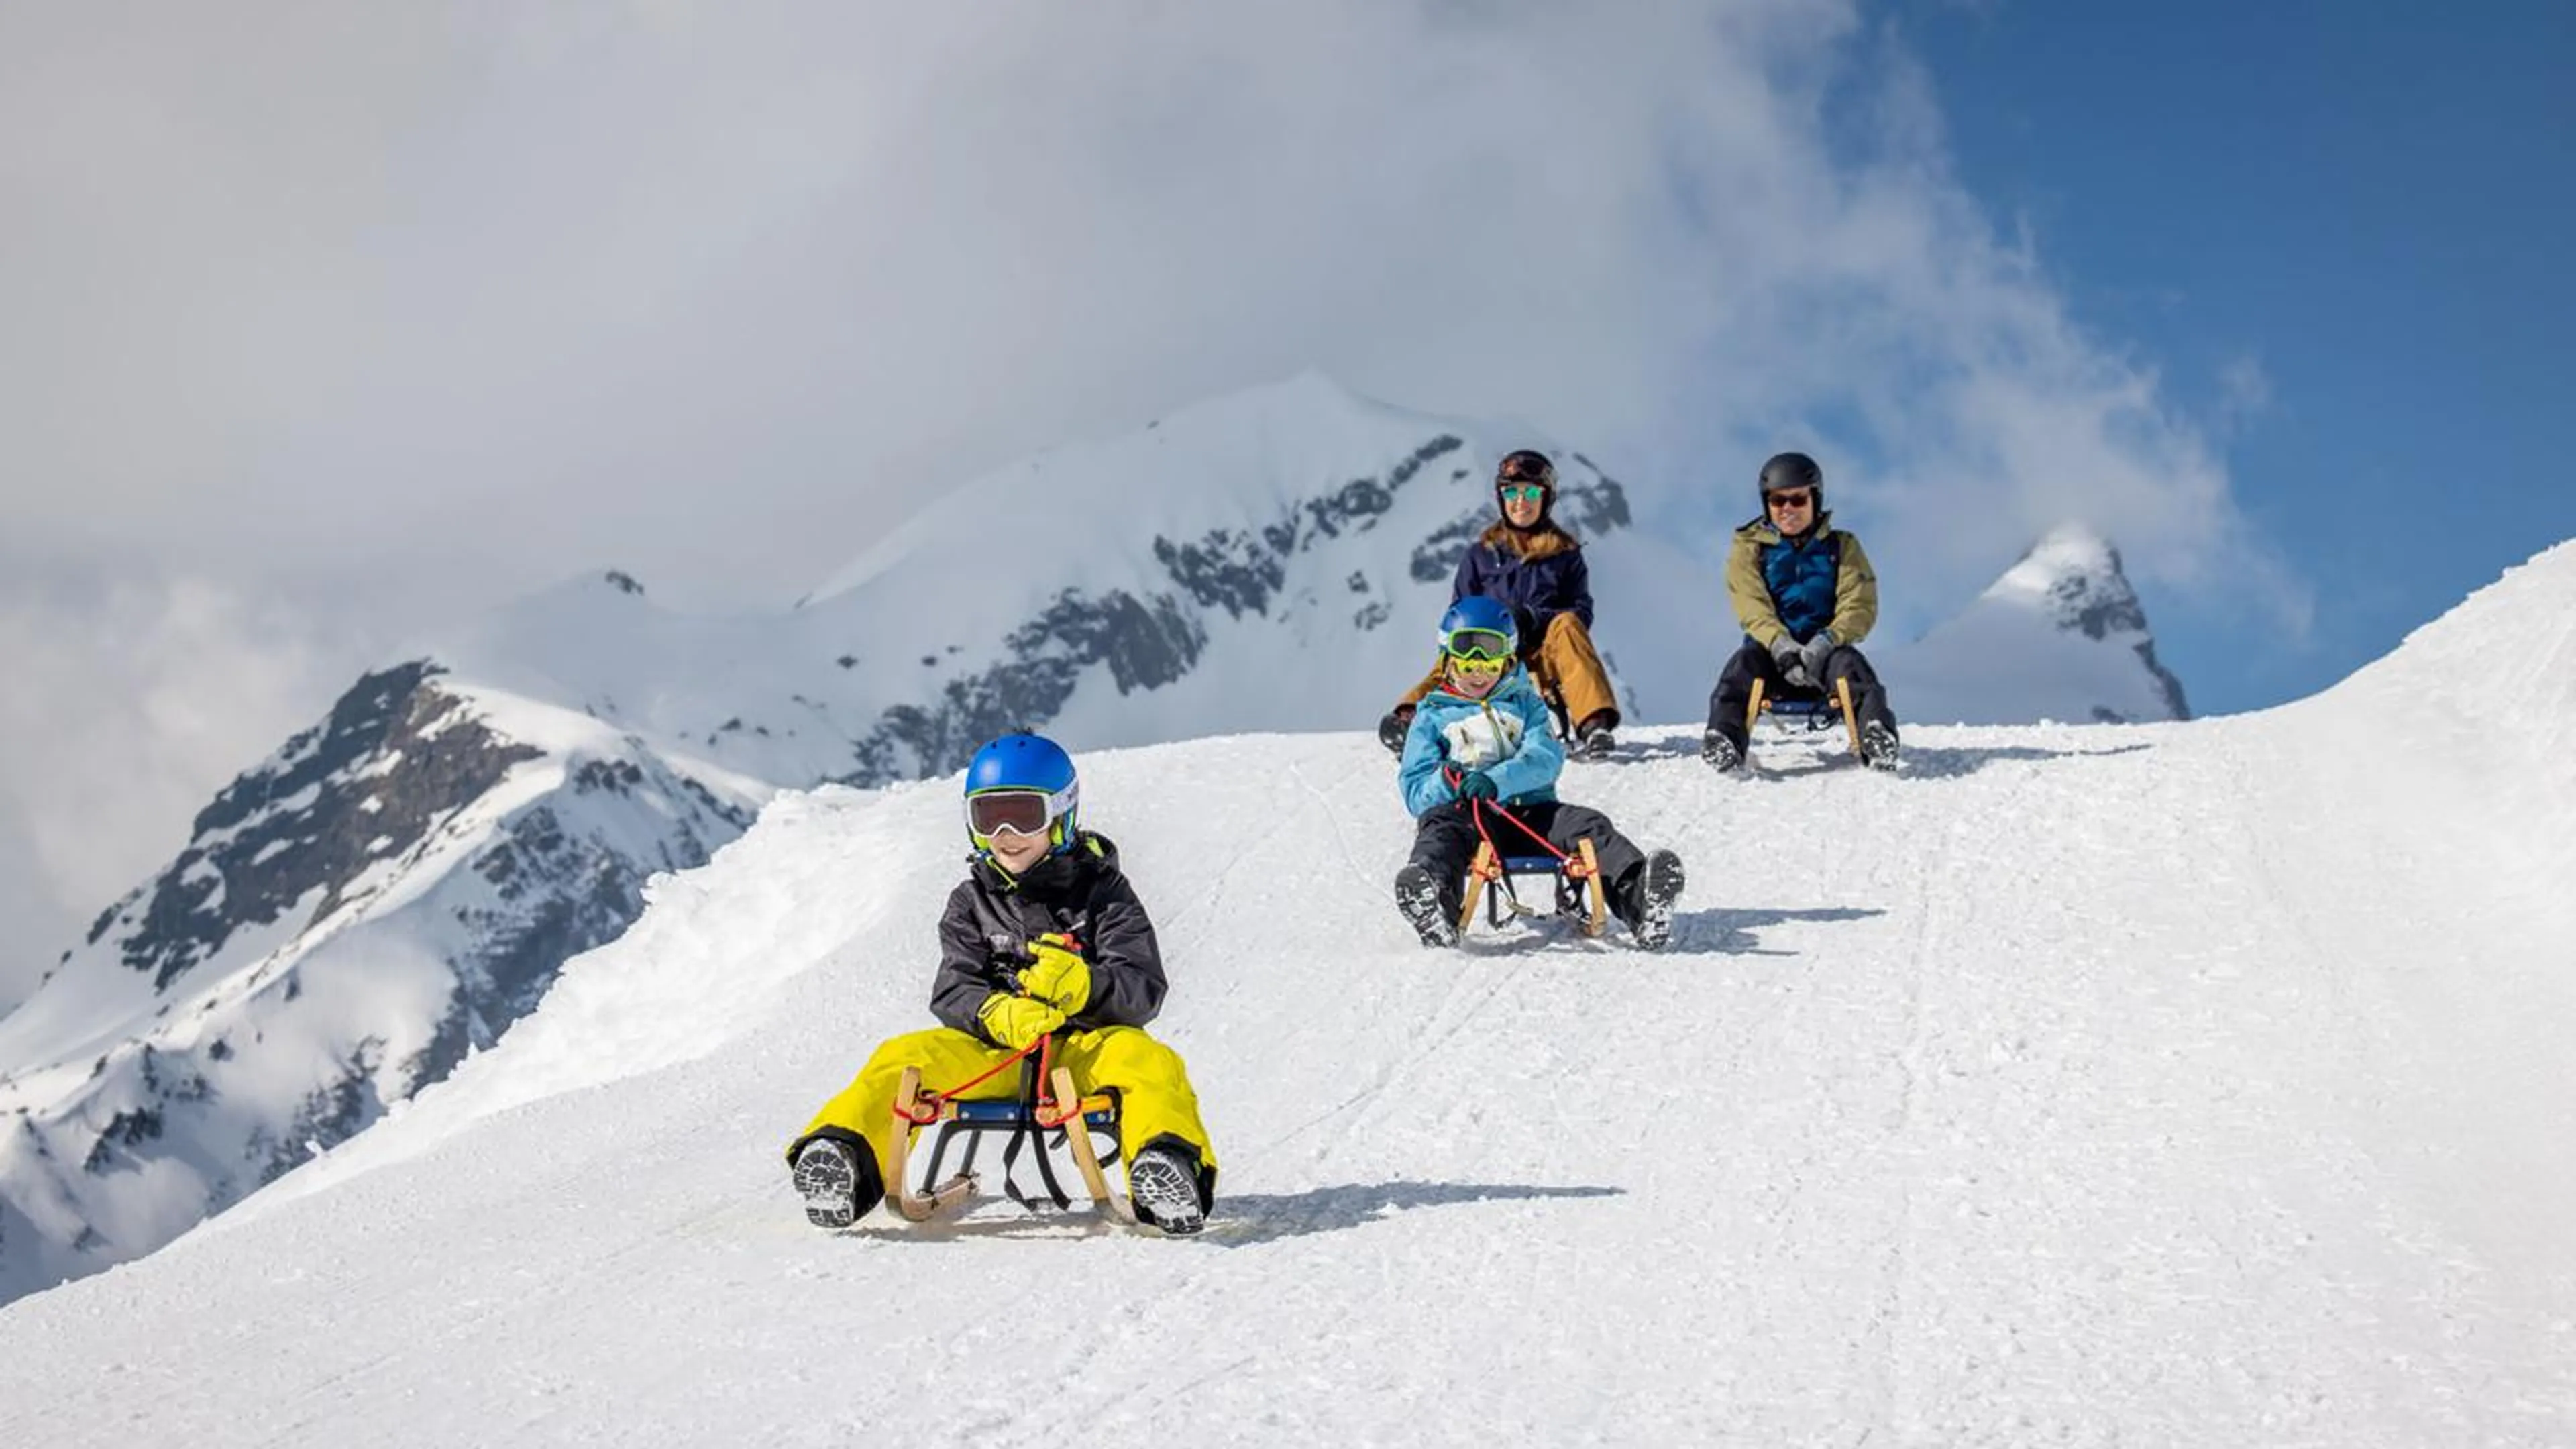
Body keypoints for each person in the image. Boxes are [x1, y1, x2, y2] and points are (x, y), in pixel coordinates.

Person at [783, 733, 1218, 1236]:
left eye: (1024, 815)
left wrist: (1085, 988)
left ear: (1061, 814)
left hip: (1084, 1050)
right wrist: (994, 1012)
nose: (1006, 834)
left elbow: (1142, 987)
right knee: (903, 1058)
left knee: (1147, 1062)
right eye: (989, 817)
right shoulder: (970, 902)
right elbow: (954, 987)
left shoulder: (1105, 894)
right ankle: (844, 1160)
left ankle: (1166, 1170)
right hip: (994, 1055)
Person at [1392, 597, 1685, 949]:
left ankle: (1640, 900)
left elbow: (1544, 757)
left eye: (1490, 661)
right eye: (1467, 663)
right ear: (1447, 659)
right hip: (1467, 818)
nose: (1478, 672)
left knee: (1589, 826)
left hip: (1531, 814)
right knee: (1440, 834)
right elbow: (1415, 789)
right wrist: (1445, 781)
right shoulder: (1431, 716)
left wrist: (1496, 781)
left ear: (1507, 659)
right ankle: (1434, 904)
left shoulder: (1526, 704)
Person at [1378, 449, 1623, 761]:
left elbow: (1581, 611)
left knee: (1568, 625)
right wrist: (1491, 628)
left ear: (1546, 498)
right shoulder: (1481, 555)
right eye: (1511, 492)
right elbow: (1459, 612)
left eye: (1530, 492)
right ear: (1501, 497)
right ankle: (1409, 719)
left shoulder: (1565, 555)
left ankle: (1593, 725)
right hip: (1491, 650)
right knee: (1457, 650)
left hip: (1546, 654)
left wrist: (1532, 618)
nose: (1521, 501)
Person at [1703, 451, 1900, 772]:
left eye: (1797, 500)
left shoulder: (1842, 547)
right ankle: (1724, 740)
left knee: (1853, 668)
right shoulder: (1751, 548)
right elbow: (1751, 603)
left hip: (1826, 656)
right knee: (1742, 667)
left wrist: (1827, 640)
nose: (1788, 509)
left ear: (1814, 500)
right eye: (1778, 501)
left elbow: (1859, 602)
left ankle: (1876, 736)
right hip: (1772, 655)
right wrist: (1780, 645)